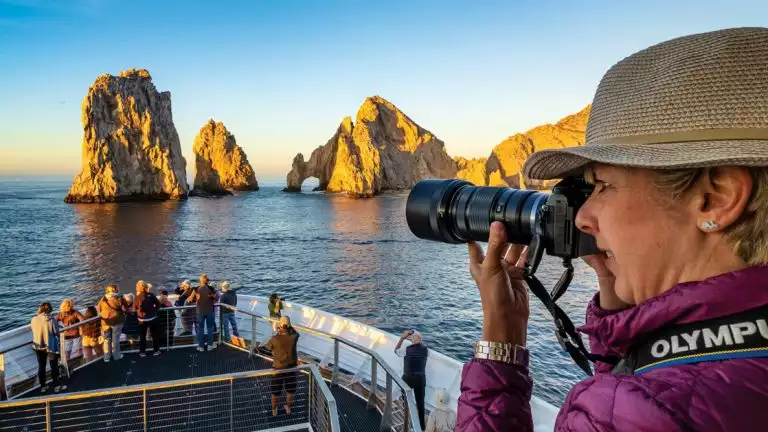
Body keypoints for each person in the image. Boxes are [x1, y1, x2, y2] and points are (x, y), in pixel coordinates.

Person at [457, 27, 768, 432]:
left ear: (716, 198)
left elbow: (648, 406)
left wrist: (501, 333)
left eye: (602, 184)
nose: (583, 217)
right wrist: (623, 316)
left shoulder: (645, 415)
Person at [261, 316, 300, 417]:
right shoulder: (294, 336)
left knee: (275, 392)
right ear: (289, 325)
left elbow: (268, 347)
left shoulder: (275, 338)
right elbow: (295, 332)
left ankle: (274, 410)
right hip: (291, 368)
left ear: (280, 326)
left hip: (278, 369)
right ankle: (288, 408)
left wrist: (277, 330)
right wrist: (288, 326)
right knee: (290, 391)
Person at [395, 330, 428, 429]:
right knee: (420, 404)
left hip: (407, 379)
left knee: (407, 403)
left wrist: (402, 338)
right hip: (420, 379)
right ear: (421, 340)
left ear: (412, 340)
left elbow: (396, 350)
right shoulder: (426, 350)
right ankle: (421, 427)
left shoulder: (406, 349)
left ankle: (406, 424)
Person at [31, 302, 65, 393]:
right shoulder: (51, 319)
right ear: (49, 309)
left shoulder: (34, 319)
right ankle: (56, 386)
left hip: (38, 346)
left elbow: (34, 329)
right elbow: (56, 332)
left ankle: (43, 387)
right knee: (54, 366)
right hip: (51, 346)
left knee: (41, 366)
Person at [97, 284, 127, 362]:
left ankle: (107, 357)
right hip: (117, 320)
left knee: (107, 339)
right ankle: (117, 356)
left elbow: (99, 309)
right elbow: (125, 306)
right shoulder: (119, 298)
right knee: (115, 339)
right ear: (116, 290)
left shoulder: (103, 298)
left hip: (105, 321)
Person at [134, 281, 162, 357]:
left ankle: (142, 352)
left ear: (137, 288)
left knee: (142, 336)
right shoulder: (151, 295)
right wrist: (154, 310)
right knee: (154, 335)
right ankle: (156, 351)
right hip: (152, 318)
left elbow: (134, 308)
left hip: (142, 320)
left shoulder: (137, 297)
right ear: (146, 287)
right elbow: (158, 304)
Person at [56, 299, 84, 363]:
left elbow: (54, 323)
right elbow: (83, 319)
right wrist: (80, 327)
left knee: (67, 352)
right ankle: (79, 363)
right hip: (76, 334)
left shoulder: (61, 314)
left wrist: (61, 328)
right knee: (78, 350)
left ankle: (67, 365)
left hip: (67, 334)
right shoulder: (75, 312)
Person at [195, 273, 217, 352]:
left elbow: (190, 299)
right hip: (210, 311)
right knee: (210, 328)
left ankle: (201, 346)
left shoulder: (196, 289)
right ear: (207, 281)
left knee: (200, 329)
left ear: (200, 280)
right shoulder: (211, 289)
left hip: (199, 311)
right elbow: (215, 299)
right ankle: (210, 345)